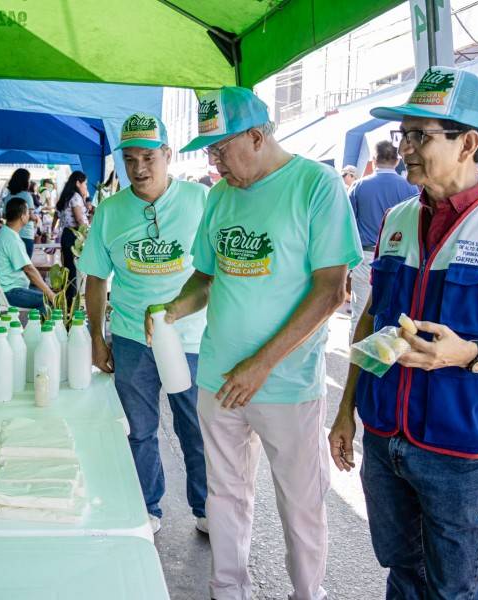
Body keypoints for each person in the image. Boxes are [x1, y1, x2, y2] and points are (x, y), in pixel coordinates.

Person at [328, 67, 478, 599]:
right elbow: (372, 315)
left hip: (458, 452)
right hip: (385, 438)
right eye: (401, 136)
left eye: (419, 135)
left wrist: (471, 352)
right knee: (402, 573)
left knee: (453, 589)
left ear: (468, 144)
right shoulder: (397, 219)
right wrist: (346, 410)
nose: (404, 147)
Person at [148, 86, 362, 600]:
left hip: (285, 382)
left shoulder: (316, 184)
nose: (214, 160)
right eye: (208, 151)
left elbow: (331, 289)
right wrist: (174, 309)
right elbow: (205, 276)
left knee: (300, 502)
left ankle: (307, 593)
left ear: (258, 135)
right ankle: (228, 590)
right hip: (218, 375)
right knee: (224, 494)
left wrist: (262, 365)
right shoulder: (220, 195)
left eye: (221, 148)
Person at [77, 113, 209, 535]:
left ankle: (206, 508)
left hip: (191, 338)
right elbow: (96, 278)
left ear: (168, 155)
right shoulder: (111, 211)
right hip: (133, 337)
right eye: (130, 159)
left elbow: (216, 271)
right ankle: (146, 508)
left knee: (198, 430)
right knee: (139, 430)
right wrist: (97, 339)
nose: (139, 168)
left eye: (149, 157)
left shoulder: (200, 201)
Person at [347, 140, 418, 338]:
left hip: (364, 256)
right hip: (400, 260)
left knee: (360, 314)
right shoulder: (411, 188)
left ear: (374, 159)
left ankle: (358, 362)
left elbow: (348, 224)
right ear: (397, 161)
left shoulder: (358, 186)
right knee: (395, 315)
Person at [0, 197, 56, 313]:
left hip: (6, 289)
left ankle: (39, 329)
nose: (30, 215)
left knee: (43, 294)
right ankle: (43, 330)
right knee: (47, 300)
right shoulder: (11, 238)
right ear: (22, 216)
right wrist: (50, 293)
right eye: (28, 212)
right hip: (10, 292)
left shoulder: (4, 232)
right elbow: (29, 270)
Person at [55, 171, 90, 306]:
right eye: (85, 184)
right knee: (73, 271)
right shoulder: (75, 197)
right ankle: (72, 302)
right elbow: (80, 219)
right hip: (74, 235)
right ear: (78, 183)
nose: (86, 187)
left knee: (69, 269)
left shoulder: (67, 196)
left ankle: (69, 300)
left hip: (66, 234)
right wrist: (88, 235)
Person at [4, 168, 38, 258]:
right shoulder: (27, 195)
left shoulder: (9, 196)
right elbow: (30, 216)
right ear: (25, 181)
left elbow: (4, 215)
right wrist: (36, 219)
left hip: (11, 234)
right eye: (28, 180)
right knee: (26, 266)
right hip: (26, 235)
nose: (30, 182)